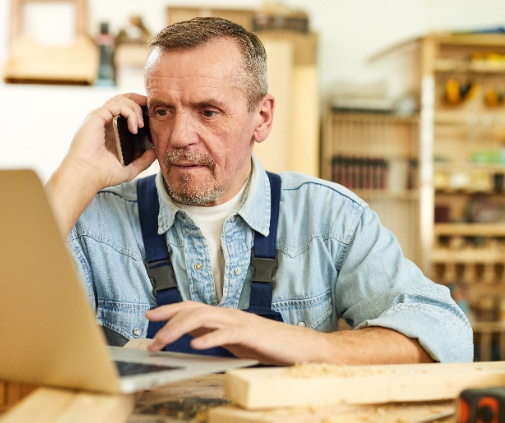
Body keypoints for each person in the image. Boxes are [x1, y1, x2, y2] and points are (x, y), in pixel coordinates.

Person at [46, 17, 473, 365]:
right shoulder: (91, 221)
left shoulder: (329, 218)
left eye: (207, 111)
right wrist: (77, 172)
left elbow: (448, 334)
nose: (178, 137)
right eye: (162, 111)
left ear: (262, 117)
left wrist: (309, 346)